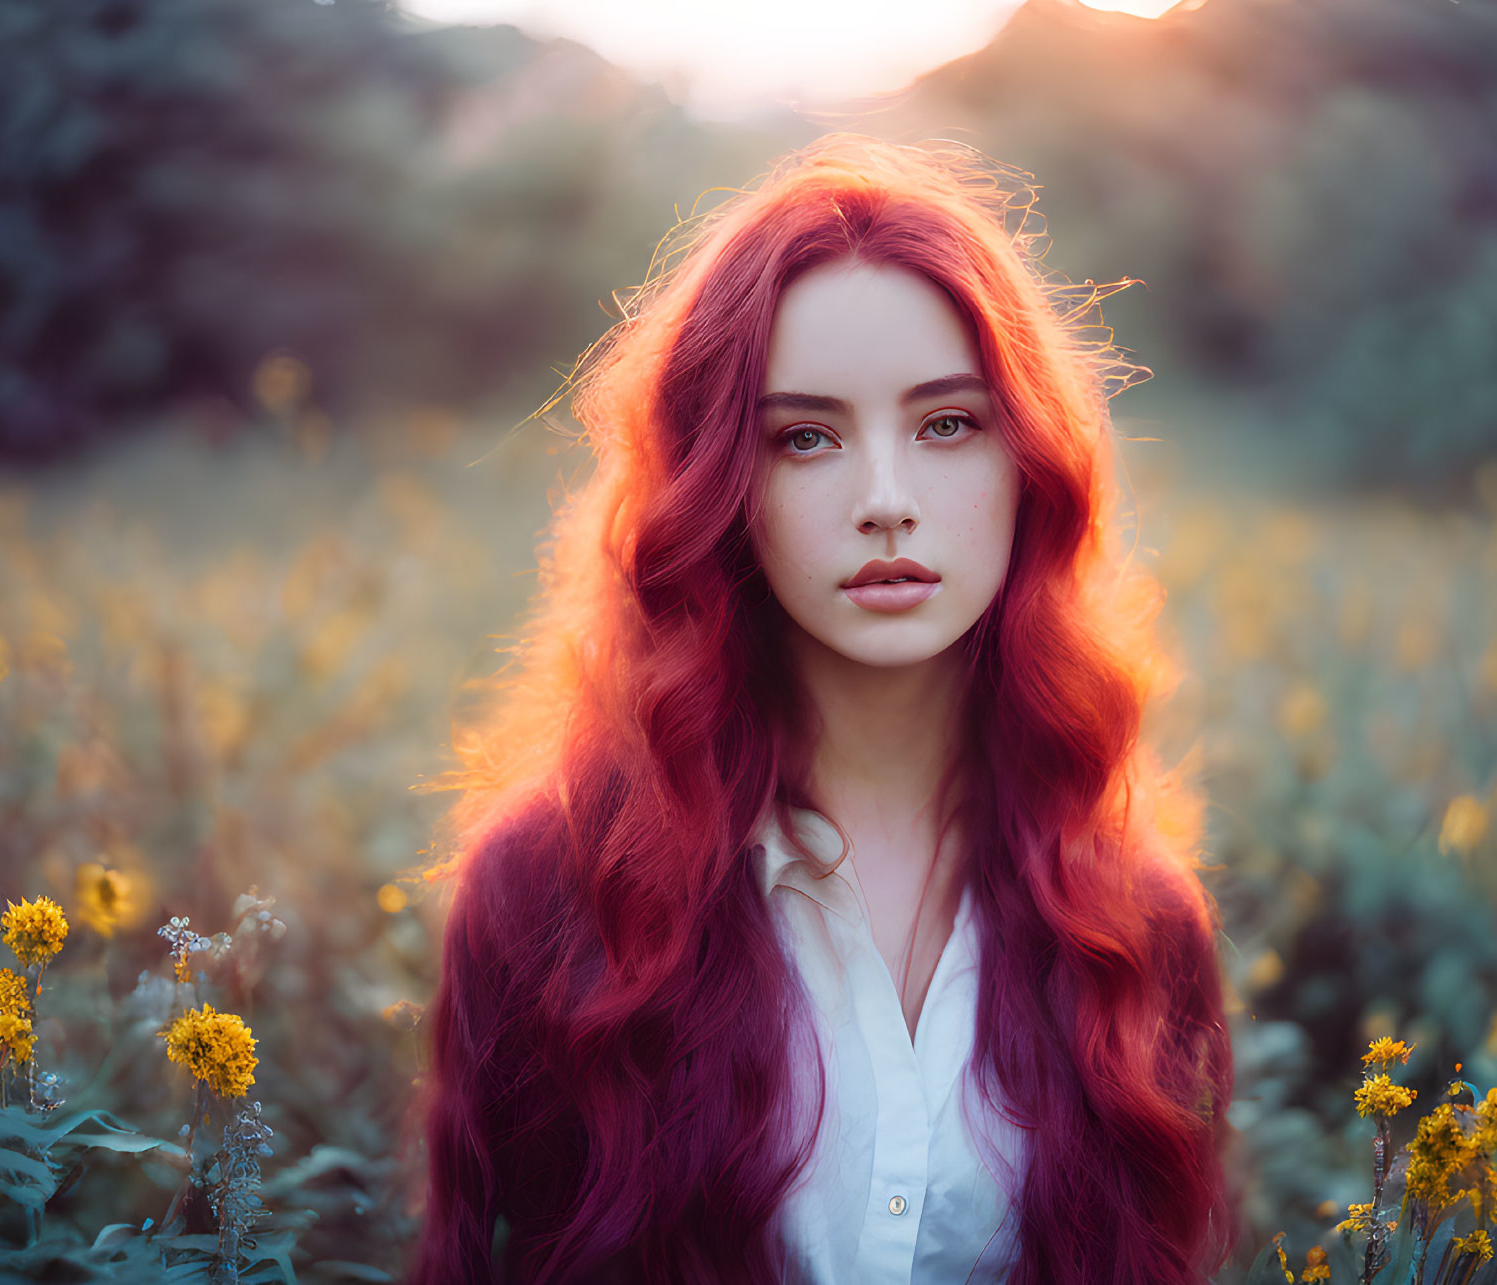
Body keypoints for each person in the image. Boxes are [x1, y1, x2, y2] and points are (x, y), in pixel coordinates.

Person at [406, 133, 1239, 1285]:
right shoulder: (548, 895)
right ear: (720, 493)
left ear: (1028, 466)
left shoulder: (1133, 921)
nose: (886, 502)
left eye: (947, 424)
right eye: (805, 438)